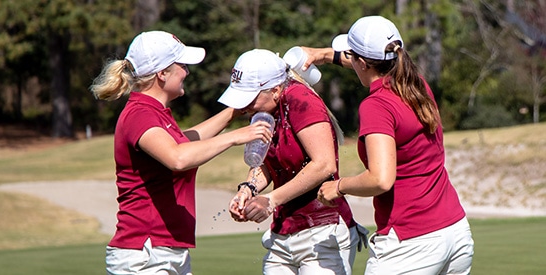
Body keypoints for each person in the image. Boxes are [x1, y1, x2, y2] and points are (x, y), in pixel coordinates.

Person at [89, 31, 273, 275]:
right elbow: (178, 158)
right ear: (162, 74)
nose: (187, 71)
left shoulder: (155, 113)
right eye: (182, 65)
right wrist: (235, 137)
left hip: (163, 251)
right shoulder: (140, 114)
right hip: (145, 253)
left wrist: (233, 113)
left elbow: (187, 141)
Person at [303, 16, 474, 274]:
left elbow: (381, 180)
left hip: (411, 242)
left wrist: (338, 186)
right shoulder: (416, 83)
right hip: (455, 232)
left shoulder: (376, 106)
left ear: (362, 62)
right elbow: (372, 64)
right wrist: (325, 55)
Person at [220, 49, 366, 275]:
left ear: (276, 90)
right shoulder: (264, 111)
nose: (243, 107)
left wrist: (270, 200)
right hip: (283, 232)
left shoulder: (300, 100)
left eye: (249, 97)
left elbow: (324, 164)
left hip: (321, 230)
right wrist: (247, 189)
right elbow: (268, 163)